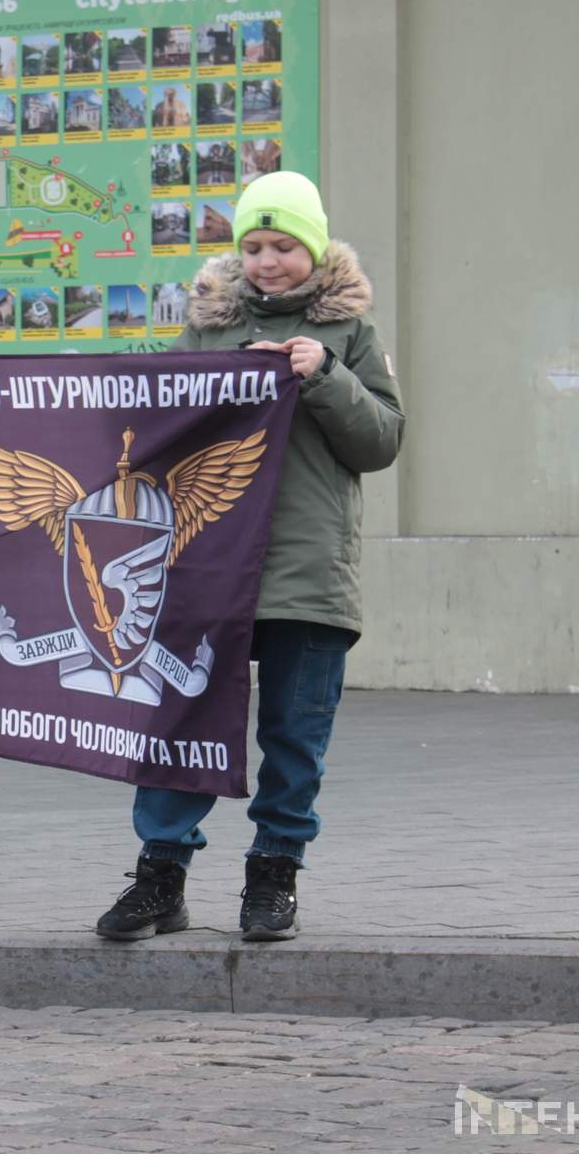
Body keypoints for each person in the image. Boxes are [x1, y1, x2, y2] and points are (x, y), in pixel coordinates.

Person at [96, 171, 405, 944]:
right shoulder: (206, 330)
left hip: (307, 577)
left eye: (285, 246)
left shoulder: (350, 337)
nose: (268, 262)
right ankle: (160, 875)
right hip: (207, 572)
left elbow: (382, 441)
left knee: (295, 736)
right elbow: (163, 433)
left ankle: (274, 873)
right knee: (178, 723)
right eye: (254, 246)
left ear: (315, 247)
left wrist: (322, 376)